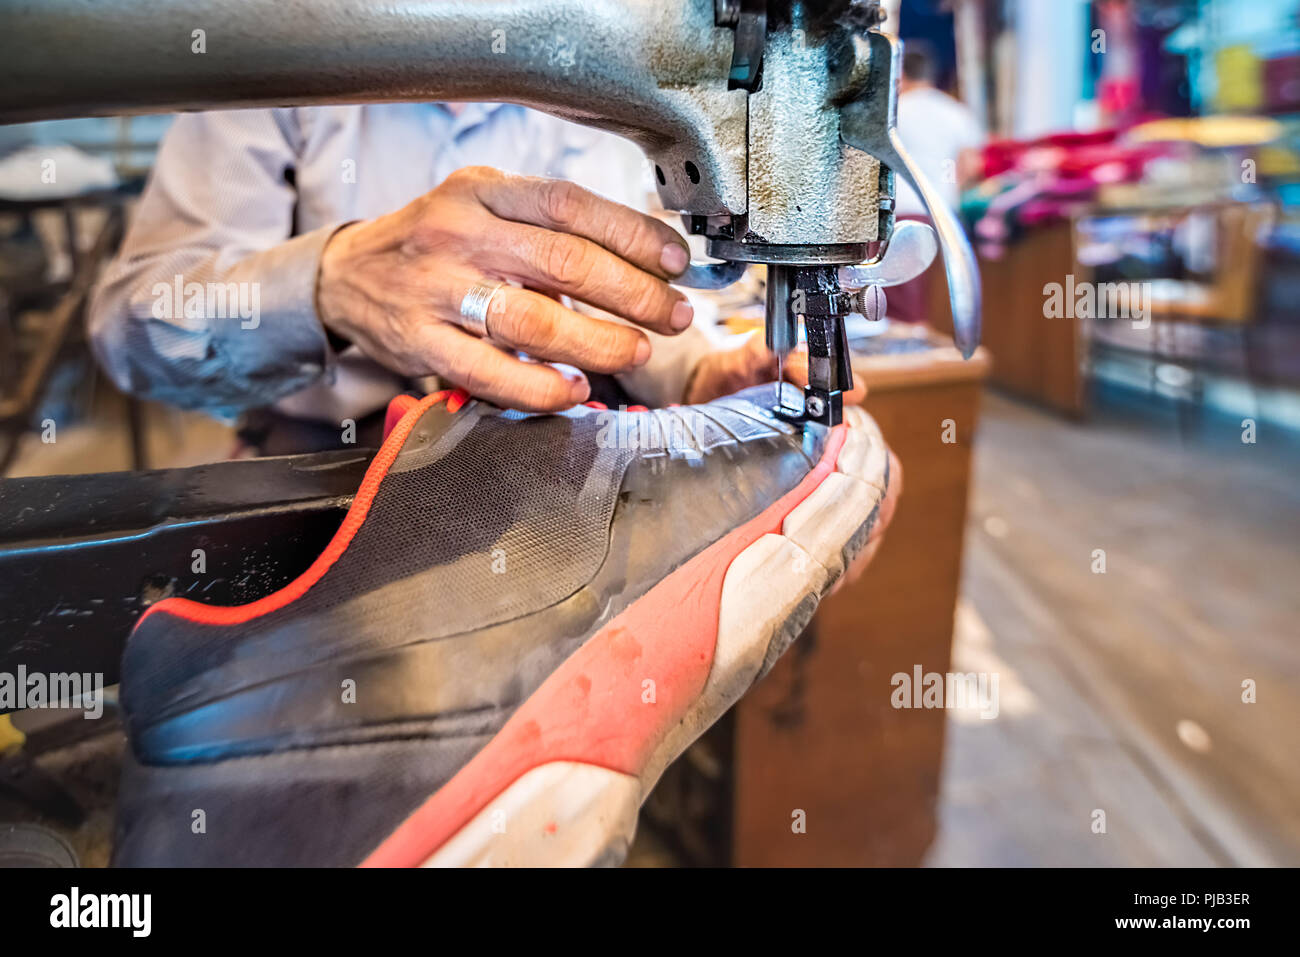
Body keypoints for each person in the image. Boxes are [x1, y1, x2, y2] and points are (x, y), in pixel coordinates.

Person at [88, 104, 820, 452]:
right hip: (331, 455)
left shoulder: (586, 73)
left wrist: (695, 373)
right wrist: (329, 285)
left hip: (545, 447)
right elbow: (133, 328)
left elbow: (608, 287)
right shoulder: (282, 49)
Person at [889, 43, 985, 324]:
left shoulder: (893, 110)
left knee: (898, 307)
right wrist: (946, 187)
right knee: (938, 300)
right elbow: (970, 166)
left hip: (899, 213)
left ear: (900, 74)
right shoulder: (955, 112)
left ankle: (907, 350)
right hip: (943, 216)